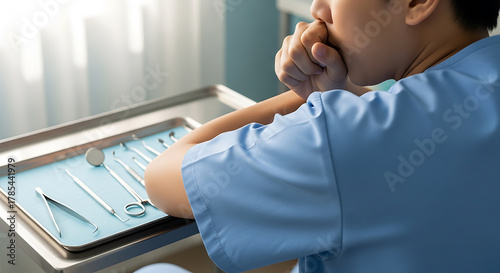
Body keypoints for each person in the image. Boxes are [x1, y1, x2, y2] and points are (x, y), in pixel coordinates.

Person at [143, 0, 500, 272]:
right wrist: (337, 95)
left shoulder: (345, 138)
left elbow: (163, 178)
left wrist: (307, 101)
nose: (317, 9)